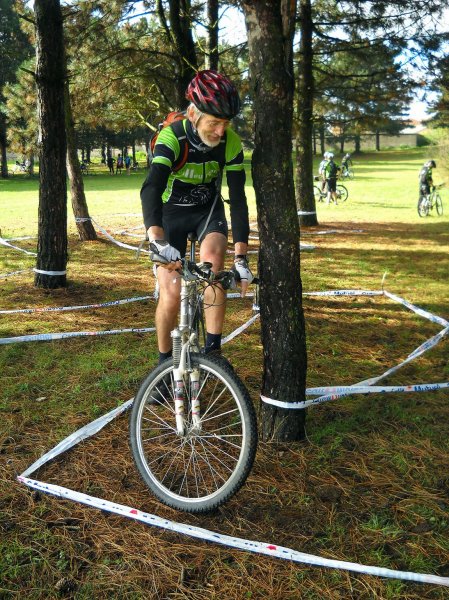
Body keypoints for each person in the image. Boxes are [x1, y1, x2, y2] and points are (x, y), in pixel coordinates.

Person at [141, 69, 253, 365]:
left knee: (214, 266)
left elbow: (238, 199)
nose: (220, 131)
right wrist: (156, 240)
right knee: (173, 292)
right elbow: (152, 186)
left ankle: (214, 353)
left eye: (225, 123)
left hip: (207, 211)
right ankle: (164, 361)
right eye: (214, 123)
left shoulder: (230, 143)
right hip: (170, 214)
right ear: (193, 113)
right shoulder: (173, 137)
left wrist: (241, 258)